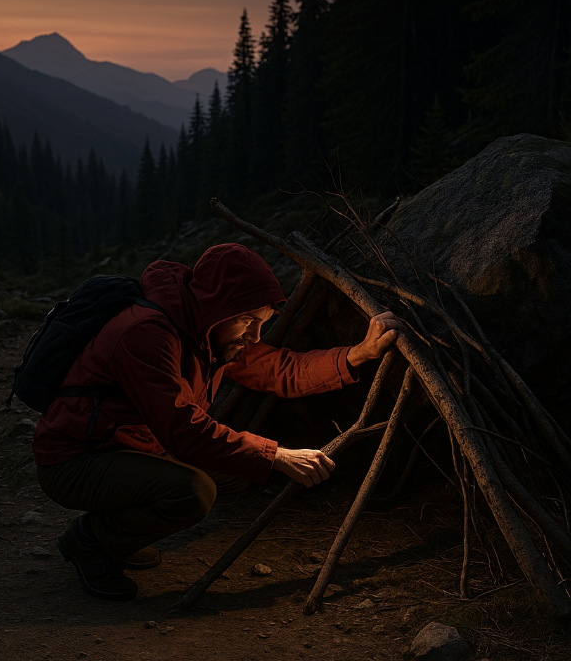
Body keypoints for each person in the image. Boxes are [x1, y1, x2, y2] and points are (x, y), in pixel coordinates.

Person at [33, 243, 402, 601]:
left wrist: (360, 353)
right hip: (75, 459)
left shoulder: (209, 333)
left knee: (235, 470)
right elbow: (184, 432)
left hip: (134, 447)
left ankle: (118, 528)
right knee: (193, 491)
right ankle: (89, 541)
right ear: (218, 306)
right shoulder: (146, 334)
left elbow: (281, 370)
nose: (254, 336)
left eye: (261, 323)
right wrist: (276, 455)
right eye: (247, 320)